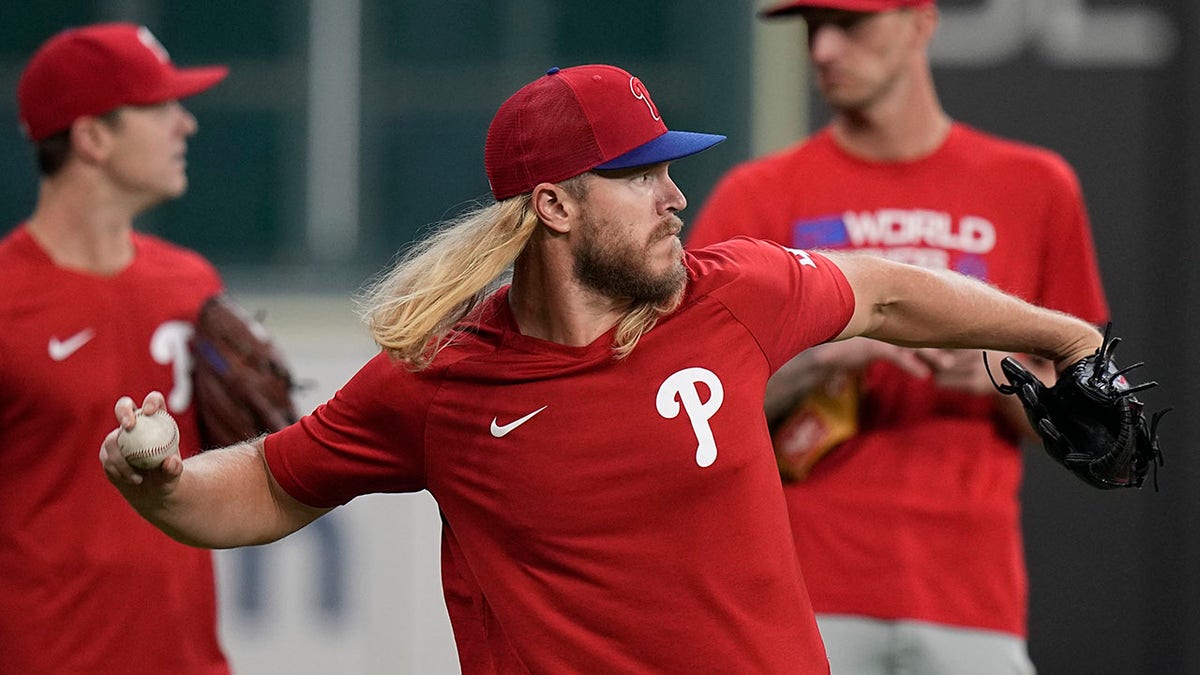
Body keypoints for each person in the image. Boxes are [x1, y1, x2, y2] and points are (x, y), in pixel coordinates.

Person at [100, 63, 1106, 674]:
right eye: (640, 174)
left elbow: (883, 289)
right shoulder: (445, 380)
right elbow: (268, 485)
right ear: (554, 207)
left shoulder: (734, 294)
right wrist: (162, 482)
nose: (675, 197)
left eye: (671, 167)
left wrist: (1063, 338)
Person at [686, 1, 1108, 673]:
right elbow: (683, 403)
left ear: (920, 21)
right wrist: (821, 359)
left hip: (971, 598)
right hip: (800, 594)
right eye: (810, 27)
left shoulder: (1034, 186)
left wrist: (1007, 376)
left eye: (849, 24)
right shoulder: (758, 194)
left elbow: (1092, 413)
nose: (822, 48)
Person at [0, 23, 231, 674]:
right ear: (92, 137)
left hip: (188, 660)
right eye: (160, 107)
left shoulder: (193, 283)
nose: (184, 125)